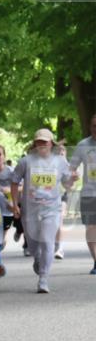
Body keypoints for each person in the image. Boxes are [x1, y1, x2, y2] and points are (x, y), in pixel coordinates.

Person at [10, 128, 76, 293]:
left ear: (51, 143)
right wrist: (15, 204)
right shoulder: (26, 161)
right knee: (33, 247)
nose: (42, 144)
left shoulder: (60, 162)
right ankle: (38, 259)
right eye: (39, 141)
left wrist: (72, 179)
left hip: (52, 209)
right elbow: (14, 181)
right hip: (30, 210)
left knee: (47, 241)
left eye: (44, 141)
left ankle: (43, 279)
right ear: (34, 143)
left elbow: (66, 184)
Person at [68, 114, 96, 274]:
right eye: (94, 125)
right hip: (89, 194)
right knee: (91, 227)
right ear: (90, 127)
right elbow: (71, 167)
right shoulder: (83, 145)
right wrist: (72, 175)